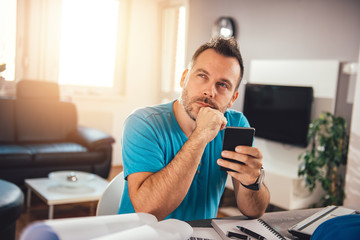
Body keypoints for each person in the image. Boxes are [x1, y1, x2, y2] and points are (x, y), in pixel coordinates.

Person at [118, 37, 270, 221]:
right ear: (184, 78)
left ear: (233, 98)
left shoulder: (236, 125)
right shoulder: (143, 123)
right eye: (202, 76)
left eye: (223, 85)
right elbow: (148, 211)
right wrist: (201, 135)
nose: (209, 91)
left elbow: (254, 211)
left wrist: (253, 182)